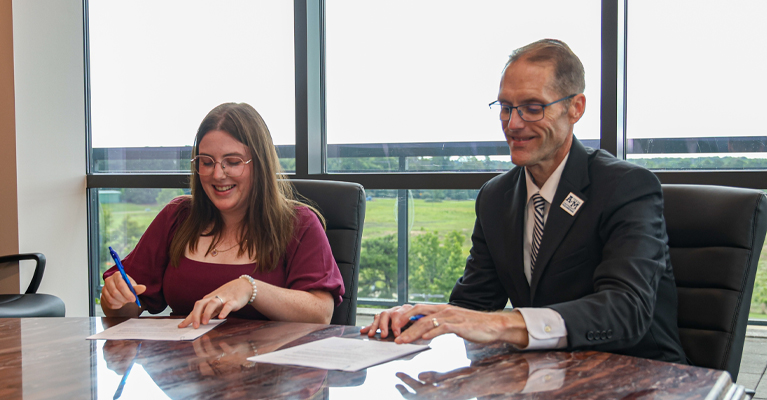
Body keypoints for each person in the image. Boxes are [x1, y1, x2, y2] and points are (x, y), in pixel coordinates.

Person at [361, 39, 687, 364]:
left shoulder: (626, 187)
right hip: (547, 373)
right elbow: (474, 307)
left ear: (575, 108)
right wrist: (417, 317)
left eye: (532, 108)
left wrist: (504, 322)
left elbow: (626, 310)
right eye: (505, 107)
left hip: (640, 376)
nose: (513, 124)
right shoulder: (496, 196)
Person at [101, 102, 344, 328]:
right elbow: (127, 309)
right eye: (206, 162)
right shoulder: (177, 217)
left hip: (267, 369)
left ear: (260, 164)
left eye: (233, 161)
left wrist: (250, 289)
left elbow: (321, 313)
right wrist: (116, 298)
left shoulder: (299, 224)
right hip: (183, 368)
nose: (217, 174)